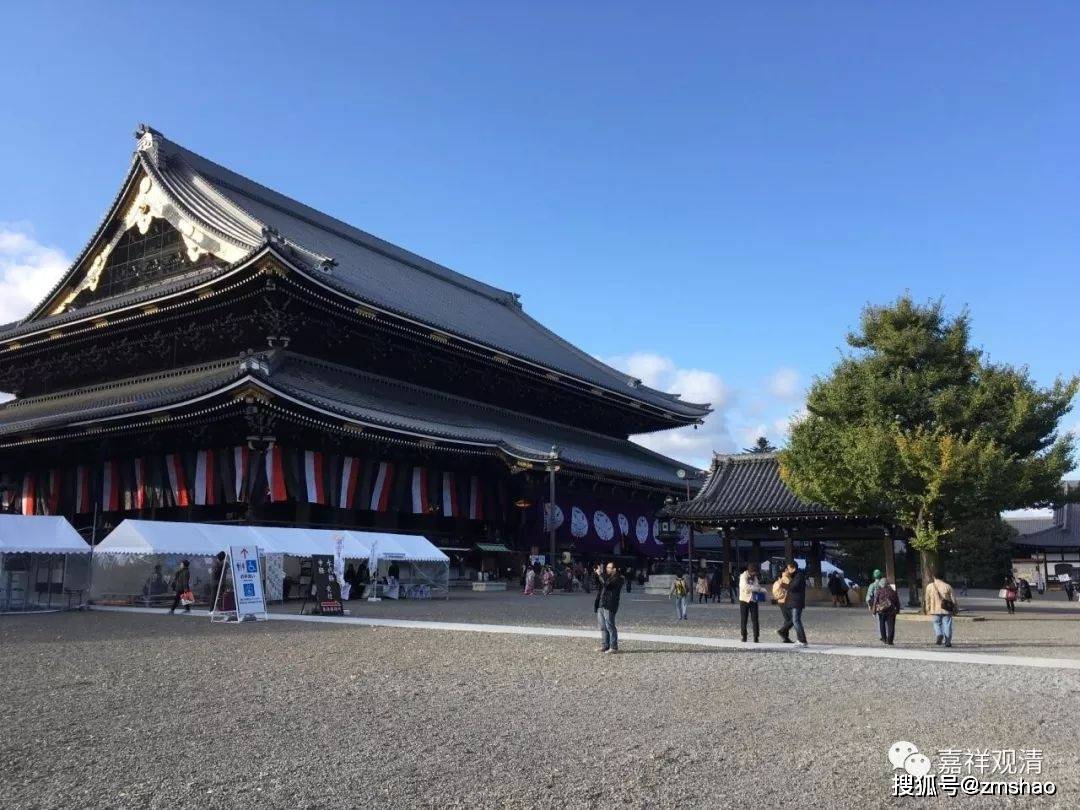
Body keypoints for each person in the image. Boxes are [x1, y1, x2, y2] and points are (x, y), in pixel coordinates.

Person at [776, 560, 808, 645]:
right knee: (795, 620)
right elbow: (792, 587)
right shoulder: (796, 576)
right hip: (794, 601)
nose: (787, 570)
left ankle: (802, 640)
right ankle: (800, 639)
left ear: (793, 568)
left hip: (796, 602)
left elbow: (793, 587)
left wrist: (782, 584)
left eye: (789, 568)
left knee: (796, 621)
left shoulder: (799, 576)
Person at [594, 562, 623, 653]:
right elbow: (598, 583)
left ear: (614, 569)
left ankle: (613, 647)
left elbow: (607, 585)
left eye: (609, 567)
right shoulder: (606, 577)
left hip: (609, 604)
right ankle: (605, 645)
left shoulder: (618, 578)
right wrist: (596, 574)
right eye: (607, 567)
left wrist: (600, 574)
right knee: (603, 626)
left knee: (610, 625)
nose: (607, 569)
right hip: (601, 604)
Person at [866, 569, 899, 645]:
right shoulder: (891, 590)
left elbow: (871, 600)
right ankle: (889, 639)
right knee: (890, 625)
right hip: (890, 609)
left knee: (881, 623)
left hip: (880, 608)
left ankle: (883, 637)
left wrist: (872, 609)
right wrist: (897, 609)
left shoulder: (874, 587)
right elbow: (896, 600)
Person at [925, 571, 957, 648]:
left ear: (934, 577)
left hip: (935, 609)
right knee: (947, 625)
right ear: (943, 577)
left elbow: (927, 598)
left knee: (936, 623)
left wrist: (927, 607)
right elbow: (953, 599)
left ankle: (939, 634)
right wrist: (955, 607)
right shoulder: (948, 586)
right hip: (946, 609)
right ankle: (948, 642)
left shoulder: (929, 586)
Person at [738, 563, 767, 642]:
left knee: (755, 619)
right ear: (750, 571)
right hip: (744, 600)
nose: (755, 574)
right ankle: (744, 636)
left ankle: (756, 637)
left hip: (753, 600)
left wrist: (762, 589)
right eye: (754, 572)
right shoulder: (743, 576)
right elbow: (745, 587)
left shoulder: (755, 577)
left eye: (756, 573)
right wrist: (756, 588)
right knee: (744, 619)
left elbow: (757, 586)